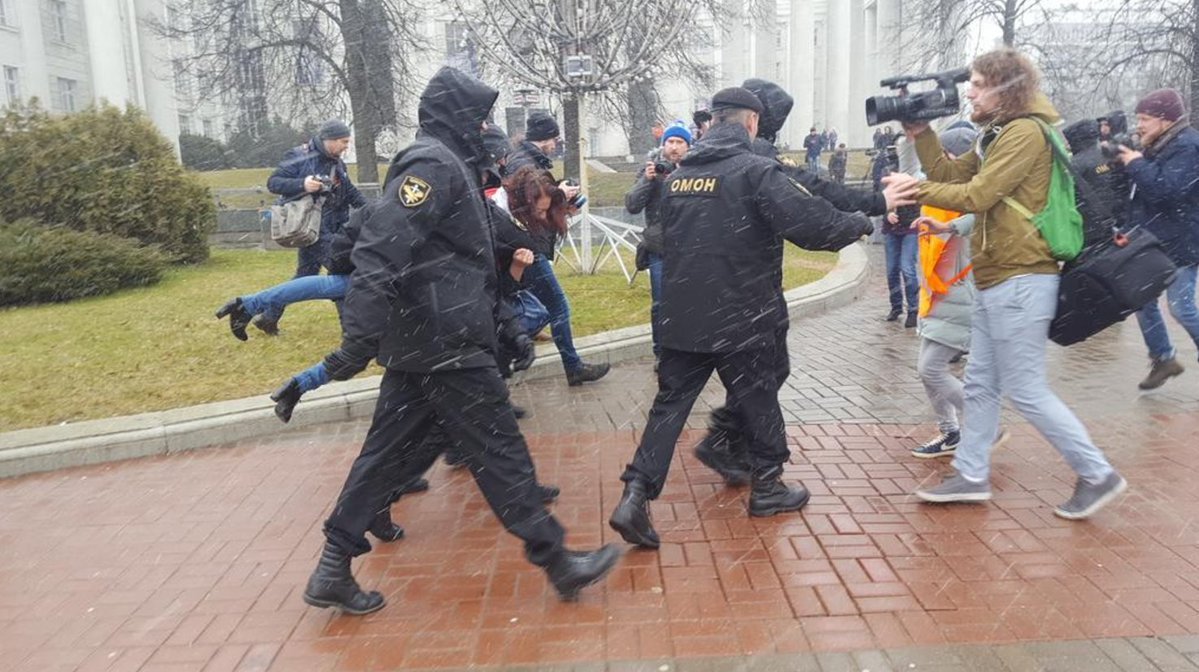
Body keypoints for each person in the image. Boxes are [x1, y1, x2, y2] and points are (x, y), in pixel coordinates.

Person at [300, 67, 620, 615]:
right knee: (499, 449)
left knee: (384, 457)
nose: (486, 126)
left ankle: (332, 566)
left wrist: (507, 323)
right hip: (443, 339)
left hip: (436, 337)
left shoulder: (457, 167)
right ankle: (558, 561)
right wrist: (358, 338)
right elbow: (381, 248)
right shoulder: (430, 164)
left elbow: (470, 253)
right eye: (479, 117)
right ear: (457, 118)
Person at [607, 87, 875, 549]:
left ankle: (635, 495)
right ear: (752, 123)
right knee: (759, 397)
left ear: (712, 123)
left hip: (683, 314)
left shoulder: (678, 177)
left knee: (669, 408)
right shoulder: (754, 171)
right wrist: (861, 223)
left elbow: (663, 238)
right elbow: (812, 226)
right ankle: (768, 486)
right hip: (743, 314)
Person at [907, 48, 1126, 521]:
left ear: (1007, 90)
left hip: (1022, 276)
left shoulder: (1024, 133)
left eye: (980, 84)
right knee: (982, 382)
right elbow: (948, 173)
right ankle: (971, 474)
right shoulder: (998, 133)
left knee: (1026, 388)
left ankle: (1097, 473)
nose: (970, 91)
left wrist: (913, 190)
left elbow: (978, 195)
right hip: (998, 276)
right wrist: (921, 134)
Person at [689, 77, 917, 488]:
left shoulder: (730, 151)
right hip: (750, 287)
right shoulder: (756, 155)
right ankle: (741, 453)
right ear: (763, 116)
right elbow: (814, 198)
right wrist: (871, 210)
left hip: (728, 284)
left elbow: (814, 190)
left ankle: (729, 440)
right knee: (765, 373)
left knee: (763, 373)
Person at [504, 114, 609, 386]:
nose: (556, 145)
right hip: (528, 245)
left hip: (528, 243)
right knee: (556, 307)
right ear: (547, 138)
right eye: (554, 139)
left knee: (530, 308)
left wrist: (561, 205)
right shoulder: (524, 164)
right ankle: (569, 366)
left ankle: (508, 360)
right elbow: (528, 209)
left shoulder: (524, 159)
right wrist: (559, 195)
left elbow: (537, 207)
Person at [236, 120, 366, 336]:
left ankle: (268, 316)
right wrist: (303, 184)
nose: (346, 147)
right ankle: (351, 332)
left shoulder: (337, 162)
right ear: (330, 139)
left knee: (305, 276)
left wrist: (373, 211)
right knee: (341, 274)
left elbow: (349, 191)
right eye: (344, 142)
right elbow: (274, 182)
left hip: (334, 227)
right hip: (313, 227)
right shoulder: (299, 155)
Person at [907, 124, 984, 458]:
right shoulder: (945, 195)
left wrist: (950, 226)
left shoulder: (974, 198)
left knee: (932, 369)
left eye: (946, 156)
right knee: (927, 371)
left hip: (960, 296)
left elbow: (979, 218)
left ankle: (985, 423)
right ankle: (951, 432)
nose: (939, 164)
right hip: (938, 296)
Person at [1116, 88, 1199, 390]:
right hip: (1153, 240)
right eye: (1138, 118)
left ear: (1166, 120)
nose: (1139, 125)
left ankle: (1165, 357)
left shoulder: (1188, 146)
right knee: (1141, 299)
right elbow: (1141, 196)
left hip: (1180, 244)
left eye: (1145, 119)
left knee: (1181, 307)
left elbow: (1167, 191)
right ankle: (1164, 358)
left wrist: (1136, 163)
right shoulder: (1158, 144)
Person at [625, 121, 692, 366]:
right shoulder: (650, 169)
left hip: (689, 247)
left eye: (679, 142)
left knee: (690, 300)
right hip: (659, 247)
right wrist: (647, 180)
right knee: (661, 303)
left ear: (688, 146)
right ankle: (661, 352)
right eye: (670, 142)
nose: (674, 147)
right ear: (663, 144)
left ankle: (688, 348)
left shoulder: (695, 169)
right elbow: (632, 205)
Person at [1062, 118, 1130, 246]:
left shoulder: (1075, 164)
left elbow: (1068, 196)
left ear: (1074, 139)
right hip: (1121, 220)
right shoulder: (1109, 152)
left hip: (1092, 229)